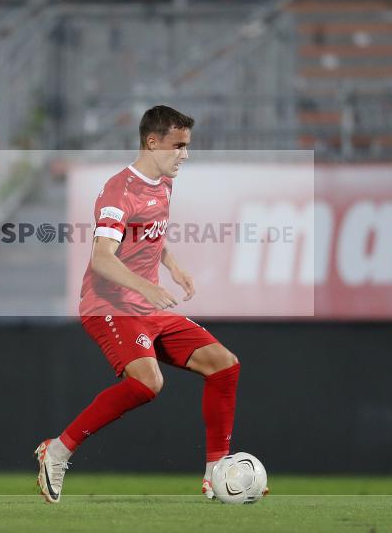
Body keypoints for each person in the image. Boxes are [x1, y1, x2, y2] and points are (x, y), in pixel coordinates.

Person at [35, 105, 243, 503]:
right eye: (178, 146)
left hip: (148, 309)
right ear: (152, 142)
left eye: (187, 146)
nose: (185, 154)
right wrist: (146, 289)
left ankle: (216, 472)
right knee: (148, 383)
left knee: (224, 365)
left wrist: (174, 266)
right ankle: (57, 451)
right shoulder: (119, 191)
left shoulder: (163, 183)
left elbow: (150, 234)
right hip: (109, 304)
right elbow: (102, 257)